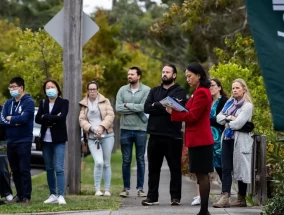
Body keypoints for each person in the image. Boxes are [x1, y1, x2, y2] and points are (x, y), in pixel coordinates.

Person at [165, 63, 213, 215]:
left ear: (198, 75)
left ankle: (204, 210)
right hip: (196, 139)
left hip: (201, 139)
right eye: (186, 76)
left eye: (189, 76)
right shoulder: (197, 92)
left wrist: (174, 113)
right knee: (200, 174)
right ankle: (204, 210)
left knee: (203, 175)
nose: (187, 79)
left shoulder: (202, 93)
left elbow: (192, 116)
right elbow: (189, 111)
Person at [142, 64, 186, 206]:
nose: (164, 74)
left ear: (174, 75)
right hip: (155, 135)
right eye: (163, 72)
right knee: (153, 169)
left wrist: (156, 105)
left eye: (167, 72)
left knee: (175, 168)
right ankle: (152, 197)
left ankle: (175, 197)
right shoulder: (154, 90)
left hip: (173, 136)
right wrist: (164, 106)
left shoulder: (180, 91)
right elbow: (146, 107)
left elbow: (177, 108)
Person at [213, 78, 254, 208]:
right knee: (226, 168)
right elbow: (218, 118)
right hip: (227, 139)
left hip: (240, 140)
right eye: (233, 88)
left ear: (244, 89)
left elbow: (238, 124)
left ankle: (241, 198)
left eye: (237, 88)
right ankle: (225, 197)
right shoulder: (229, 103)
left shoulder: (247, 106)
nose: (234, 90)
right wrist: (230, 117)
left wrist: (228, 121)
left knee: (241, 168)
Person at [191, 78, 228, 206]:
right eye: (208, 86)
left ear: (219, 87)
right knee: (202, 168)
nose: (210, 88)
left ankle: (225, 194)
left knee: (219, 166)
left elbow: (221, 119)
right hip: (205, 137)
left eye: (212, 85)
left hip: (218, 139)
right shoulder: (207, 101)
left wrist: (206, 119)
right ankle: (200, 195)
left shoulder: (223, 101)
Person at [116, 66, 150, 198]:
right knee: (126, 160)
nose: (129, 76)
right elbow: (118, 108)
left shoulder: (146, 90)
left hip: (141, 130)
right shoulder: (122, 90)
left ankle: (140, 188)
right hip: (125, 130)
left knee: (140, 159)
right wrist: (135, 108)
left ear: (139, 76)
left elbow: (144, 107)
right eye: (128, 74)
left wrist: (127, 105)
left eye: (132, 74)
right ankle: (125, 188)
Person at [0, 77, 35, 205]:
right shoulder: (8, 103)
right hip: (11, 141)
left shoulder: (29, 102)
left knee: (24, 169)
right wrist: (15, 121)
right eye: (10, 87)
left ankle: (26, 196)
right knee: (14, 170)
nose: (12, 89)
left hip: (24, 140)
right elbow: (2, 120)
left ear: (21, 87)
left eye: (14, 87)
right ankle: (19, 194)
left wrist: (11, 119)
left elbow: (25, 118)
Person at [35, 80, 69, 205]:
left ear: (57, 89)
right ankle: (52, 194)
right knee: (49, 168)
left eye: (52, 87)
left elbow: (62, 117)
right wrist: (51, 117)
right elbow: (37, 119)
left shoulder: (64, 102)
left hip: (58, 139)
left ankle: (61, 195)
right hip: (45, 140)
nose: (50, 89)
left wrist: (46, 117)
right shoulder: (43, 103)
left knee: (59, 168)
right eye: (47, 87)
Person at [79, 80, 115, 196]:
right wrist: (93, 129)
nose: (92, 91)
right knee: (98, 162)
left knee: (106, 163)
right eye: (90, 89)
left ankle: (107, 189)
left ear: (98, 90)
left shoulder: (105, 101)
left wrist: (101, 127)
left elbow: (111, 115)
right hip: (92, 137)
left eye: (94, 89)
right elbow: (81, 120)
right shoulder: (84, 104)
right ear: (87, 91)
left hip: (107, 135)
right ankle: (97, 189)